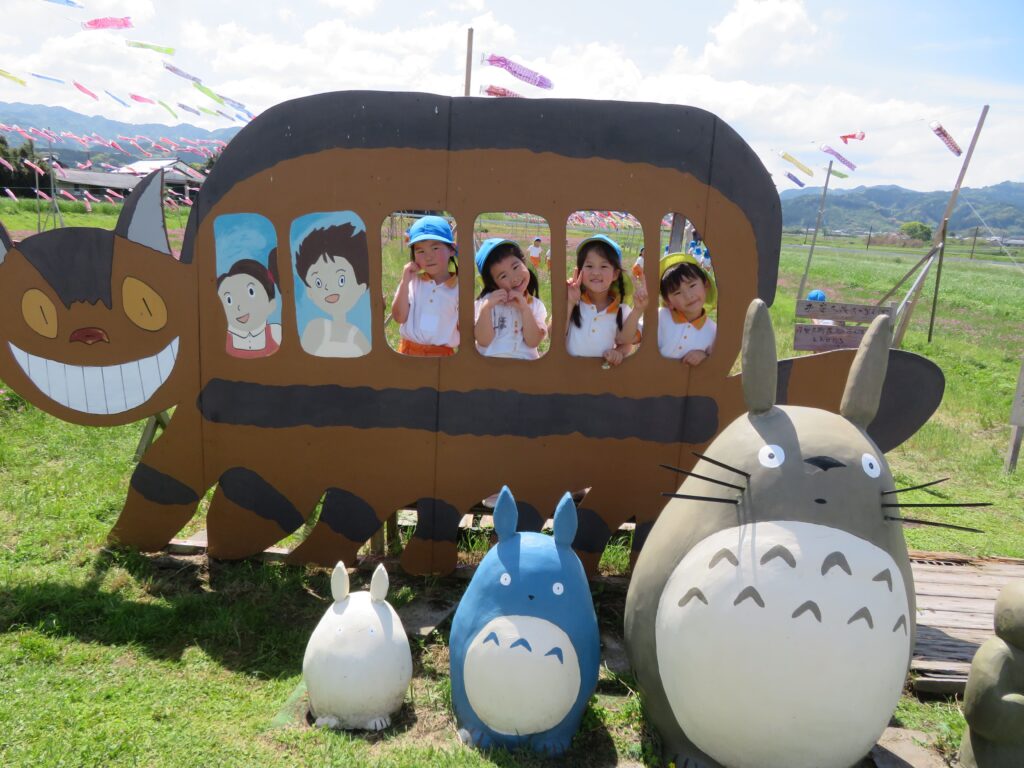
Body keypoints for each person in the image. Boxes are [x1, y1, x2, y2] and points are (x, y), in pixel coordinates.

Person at [566, 234, 647, 367]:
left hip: (602, 376)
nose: (596, 272)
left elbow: (626, 342)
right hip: (569, 374)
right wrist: (569, 302)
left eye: (603, 266)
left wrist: (619, 352)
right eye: (589, 266)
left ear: (615, 274)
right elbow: (553, 334)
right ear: (580, 271)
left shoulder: (622, 310)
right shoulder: (572, 302)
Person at [296, 223, 371, 357]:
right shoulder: (316, 329)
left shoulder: (358, 338)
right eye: (318, 282)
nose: (328, 288)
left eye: (341, 279)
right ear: (310, 292)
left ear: (361, 287)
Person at [391, 215, 459, 356]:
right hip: (407, 354)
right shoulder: (412, 282)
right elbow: (399, 317)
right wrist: (404, 282)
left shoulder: (458, 289)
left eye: (435, 248)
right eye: (420, 251)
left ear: (452, 249)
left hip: (442, 359)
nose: (428, 256)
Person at [473, 238, 548, 359]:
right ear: (493, 284)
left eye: (515, 267)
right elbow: (483, 341)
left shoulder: (535, 305)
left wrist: (525, 309)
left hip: (525, 367)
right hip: (489, 366)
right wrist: (486, 309)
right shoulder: (486, 303)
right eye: (503, 276)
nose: (514, 278)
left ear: (524, 262)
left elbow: (533, 342)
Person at [656, 253, 716, 365]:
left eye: (692, 285)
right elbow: (634, 336)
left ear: (706, 285)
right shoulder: (659, 316)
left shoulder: (713, 331)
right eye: (677, 292)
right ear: (668, 302)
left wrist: (704, 356)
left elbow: (714, 363)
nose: (688, 296)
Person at [217, 255, 282, 358]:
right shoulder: (221, 339)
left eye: (251, 292)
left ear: (271, 303)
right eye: (229, 300)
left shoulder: (276, 333)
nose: (239, 306)